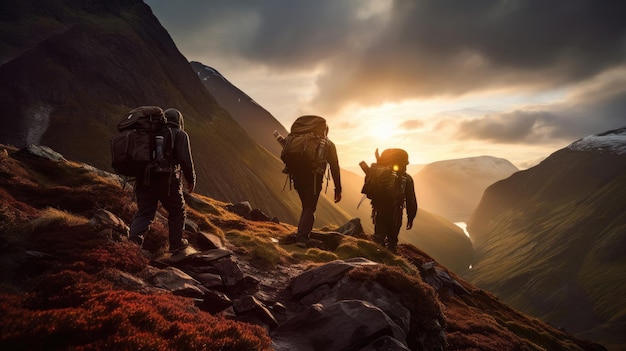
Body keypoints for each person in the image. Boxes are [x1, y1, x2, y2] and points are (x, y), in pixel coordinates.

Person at [129, 108, 196, 254]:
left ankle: (132, 243)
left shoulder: (149, 134)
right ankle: (176, 244)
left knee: (144, 213)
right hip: (167, 181)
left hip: (143, 179)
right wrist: (191, 180)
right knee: (177, 211)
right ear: (179, 121)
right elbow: (186, 161)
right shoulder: (180, 134)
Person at [276, 117, 342, 247]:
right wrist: (338, 189)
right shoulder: (327, 144)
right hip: (314, 178)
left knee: (306, 206)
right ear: (325, 130)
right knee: (310, 207)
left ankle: (301, 233)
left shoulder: (295, 140)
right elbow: (334, 167)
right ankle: (302, 239)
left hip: (296, 176)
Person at [371, 149, 417, 253]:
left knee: (378, 237)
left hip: (380, 210)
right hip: (395, 213)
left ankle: (376, 256)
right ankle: (390, 258)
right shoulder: (407, 179)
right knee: (392, 239)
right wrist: (411, 218)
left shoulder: (380, 175)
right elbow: (411, 201)